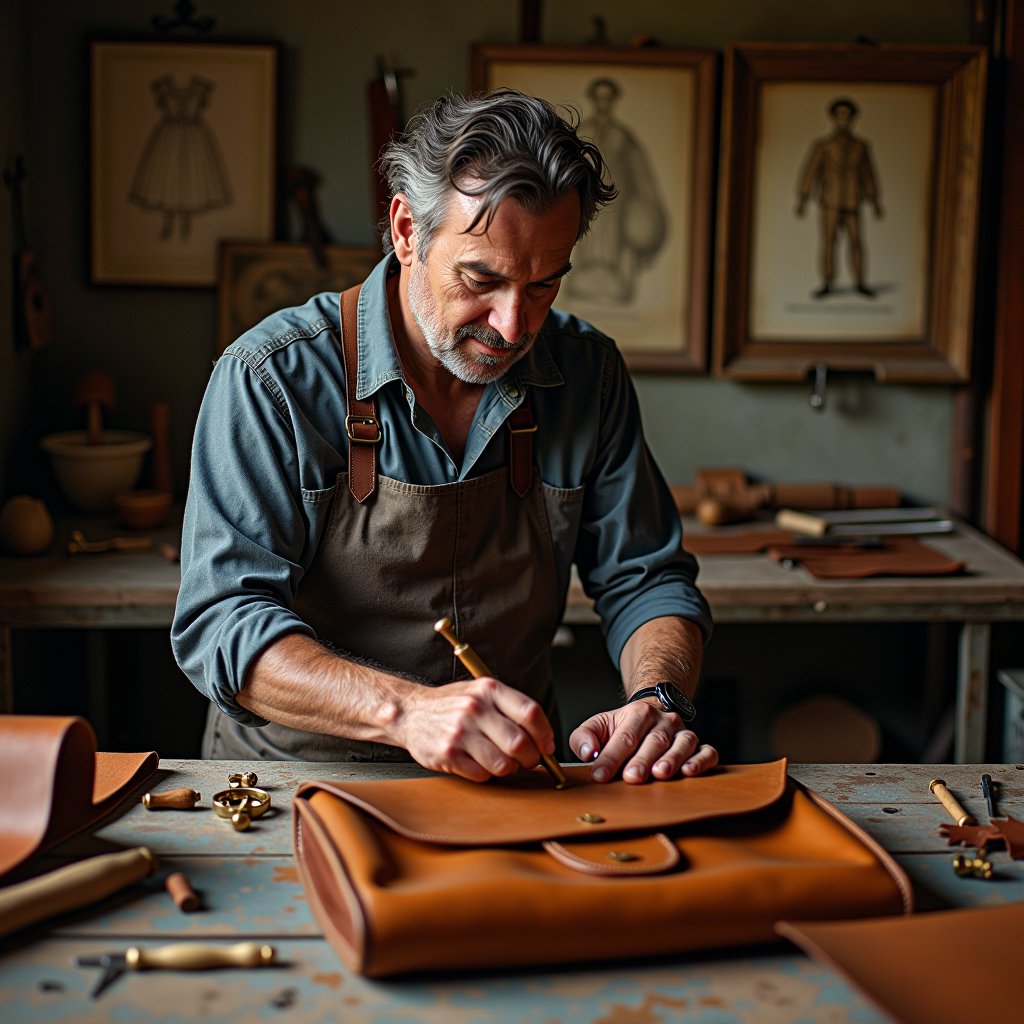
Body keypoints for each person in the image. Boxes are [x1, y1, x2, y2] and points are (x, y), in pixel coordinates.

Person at [172, 90, 716, 785]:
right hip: (298, 786)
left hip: (513, 784)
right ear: (407, 230)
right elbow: (222, 625)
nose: (514, 327)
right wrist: (406, 713)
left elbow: (648, 579)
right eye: (481, 279)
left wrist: (658, 697)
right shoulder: (271, 379)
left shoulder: (589, 372)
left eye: (544, 286)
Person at [563, 78, 668, 305]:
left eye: (607, 98)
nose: (603, 103)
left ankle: (614, 279)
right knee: (589, 241)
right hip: (588, 200)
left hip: (618, 202)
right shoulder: (582, 131)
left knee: (613, 243)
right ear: (593, 99)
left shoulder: (623, 135)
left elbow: (639, 171)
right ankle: (585, 277)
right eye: (599, 97)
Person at [796, 98, 883, 298]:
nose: (843, 119)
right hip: (830, 201)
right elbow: (811, 172)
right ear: (834, 118)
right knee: (829, 242)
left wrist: (874, 201)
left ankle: (860, 282)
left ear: (853, 118)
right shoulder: (823, 146)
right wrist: (803, 198)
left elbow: (868, 174)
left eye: (847, 115)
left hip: (853, 201)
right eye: (840, 115)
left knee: (856, 241)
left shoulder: (861, 146)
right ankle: (828, 282)